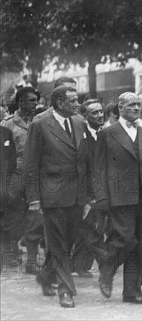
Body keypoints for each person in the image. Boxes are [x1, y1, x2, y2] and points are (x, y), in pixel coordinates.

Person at [23, 85, 91, 308]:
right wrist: (33, 198)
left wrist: (89, 196)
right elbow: (30, 165)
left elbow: (85, 161)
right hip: (52, 196)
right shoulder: (40, 125)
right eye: (73, 101)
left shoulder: (80, 122)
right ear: (60, 103)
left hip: (77, 196)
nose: (78, 105)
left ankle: (45, 276)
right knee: (59, 245)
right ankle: (66, 290)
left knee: (69, 241)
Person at [95, 92, 142, 305]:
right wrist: (101, 196)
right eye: (131, 105)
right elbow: (99, 168)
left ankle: (132, 291)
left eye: (138, 105)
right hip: (119, 196)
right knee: (125, 239)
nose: (136, 108)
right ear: (120, 107)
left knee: (140, 245)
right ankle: (107, 268)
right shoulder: (107, 133)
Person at [1, 86, 39, 271]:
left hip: (36, 174)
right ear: (21, 101)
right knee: (13, 214)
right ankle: (10, 251)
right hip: (16, 173)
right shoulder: (8, 123)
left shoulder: (39, 120)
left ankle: (31, 258)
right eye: (31, 100)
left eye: (36, 100)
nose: (35, 103)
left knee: (34, 216)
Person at [70, 99, 106, 278]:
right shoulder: (80, 135)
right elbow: (81, 169)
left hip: (102, 190)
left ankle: (79, 265)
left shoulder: (104, 134)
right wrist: (87, 196)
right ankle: (106, 265)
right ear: (84, 116)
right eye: (95, 113)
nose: (100, 115)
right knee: (93, 229)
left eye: (101, 111)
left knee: (90, 228)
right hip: (86, 192)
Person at [0, 125, 18, 268]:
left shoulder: (6, 132)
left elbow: (12, 158)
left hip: (3, 184)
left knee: (6, 220)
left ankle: (7, 253)